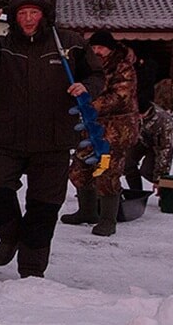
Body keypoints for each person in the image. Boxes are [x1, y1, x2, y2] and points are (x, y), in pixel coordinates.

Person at [0, 0, 103, 278]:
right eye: (22, 13)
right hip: (8, 139)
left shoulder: (70, 44)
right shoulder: (1, 45)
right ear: (14, 17)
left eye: (34, 12)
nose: (27, 18)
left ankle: (31, 273)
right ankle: (11, 235)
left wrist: (86, 87)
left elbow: (96, 74)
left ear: (45, 15)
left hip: (54, 140)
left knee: (44, 207)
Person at [60, 30, 140, 236]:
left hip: (116, 129)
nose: (97, 52)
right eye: (93, 48)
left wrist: (90, 105)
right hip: (89, 126)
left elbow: (121, 96)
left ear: (110, 49)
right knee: (79, 169)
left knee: (107, 172)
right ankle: (87, 212)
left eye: (101, 48)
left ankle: (107, 219)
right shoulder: (87, 67)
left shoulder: (123, 67)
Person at [125, 102, 173, 193]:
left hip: (158, 145)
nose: (139, 117)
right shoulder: (130, 111)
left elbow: (166, 150)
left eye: (142, 114)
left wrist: (159, 178)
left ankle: (167, 190)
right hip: (140, 140)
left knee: (148, 171)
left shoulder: (164, 121)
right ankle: (136, 192)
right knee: (127, 163)